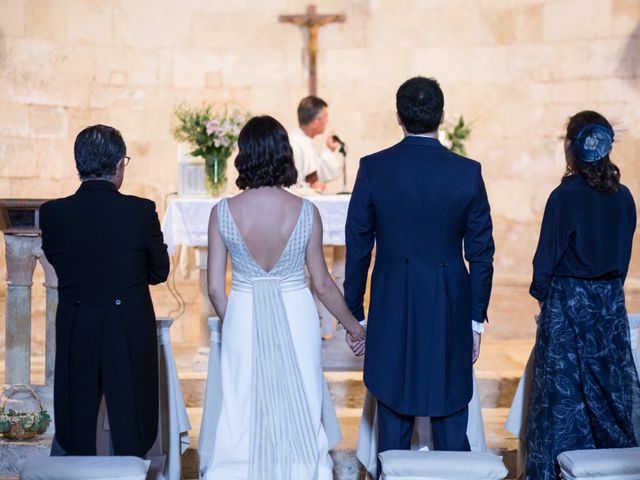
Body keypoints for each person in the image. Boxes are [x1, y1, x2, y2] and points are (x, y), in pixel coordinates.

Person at [344, 76, 494, 469]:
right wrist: (475, 321)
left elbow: (358, 245)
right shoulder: (467, 172)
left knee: (392, 407)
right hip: (449, 301)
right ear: (442, 117)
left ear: (399, 116)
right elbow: (481, 253)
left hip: (393, 299)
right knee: (448, 410)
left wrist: (355, 314)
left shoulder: (373, 168)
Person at [204, 115, 365, 479]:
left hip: (243, 310)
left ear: (244, 155)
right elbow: (322, 283)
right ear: (283, 154)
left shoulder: (222, 212)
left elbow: (215, 288)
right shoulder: (306, 211)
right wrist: (354, 327)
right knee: (303, 393)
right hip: (295, 310)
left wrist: (239, 325)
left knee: (242, 398)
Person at [40, 124, 170, 456]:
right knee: (132, 429)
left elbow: (58, 262)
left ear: (79, 165)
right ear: (118, 165)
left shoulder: (53, 214)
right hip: (126, 324)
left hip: (76, 321)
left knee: (77, 424)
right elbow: (160, 271)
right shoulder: (140, 211)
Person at [526, 111, 640, 480]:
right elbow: (621, 262)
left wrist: (544, 300)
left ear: (572, 147)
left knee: (563, 398)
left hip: (567, 306)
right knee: (611, 394)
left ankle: (555, 470)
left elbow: (546, 260)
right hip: (609, 308)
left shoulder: (564, 197)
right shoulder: (625, 198)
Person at [290, 95, 342, 192]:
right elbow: (292, 186)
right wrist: (313, 189)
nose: (327, 121)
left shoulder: (306, 143)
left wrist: (329, 150)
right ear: (314, 122)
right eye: (325, 117)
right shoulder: (295, 145)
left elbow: (318, 172)